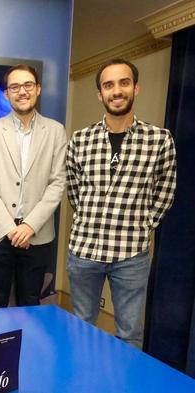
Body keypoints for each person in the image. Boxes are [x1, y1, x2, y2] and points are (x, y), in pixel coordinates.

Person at [66, 58, 177, 348]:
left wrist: (141, 225)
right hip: (84, 251)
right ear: (100, 94)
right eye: (109, 85)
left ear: (135, 88)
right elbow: (74, 192)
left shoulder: (160, 140)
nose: (117, 91)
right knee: (80, 326)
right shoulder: (80, 139)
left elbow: (165, 192)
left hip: (131, 255)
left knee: (129, 333)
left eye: (124, 83)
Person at [0, 64, 67, 307]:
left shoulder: (56, 131)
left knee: (30, 302)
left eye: (27, 85)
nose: (21, 91)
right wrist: (9, 228)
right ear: (6, 93)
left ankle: (27, 347)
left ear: (38, 89)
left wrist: (29, 226)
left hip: (37, 235)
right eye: (14, 87)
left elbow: (57, 183)